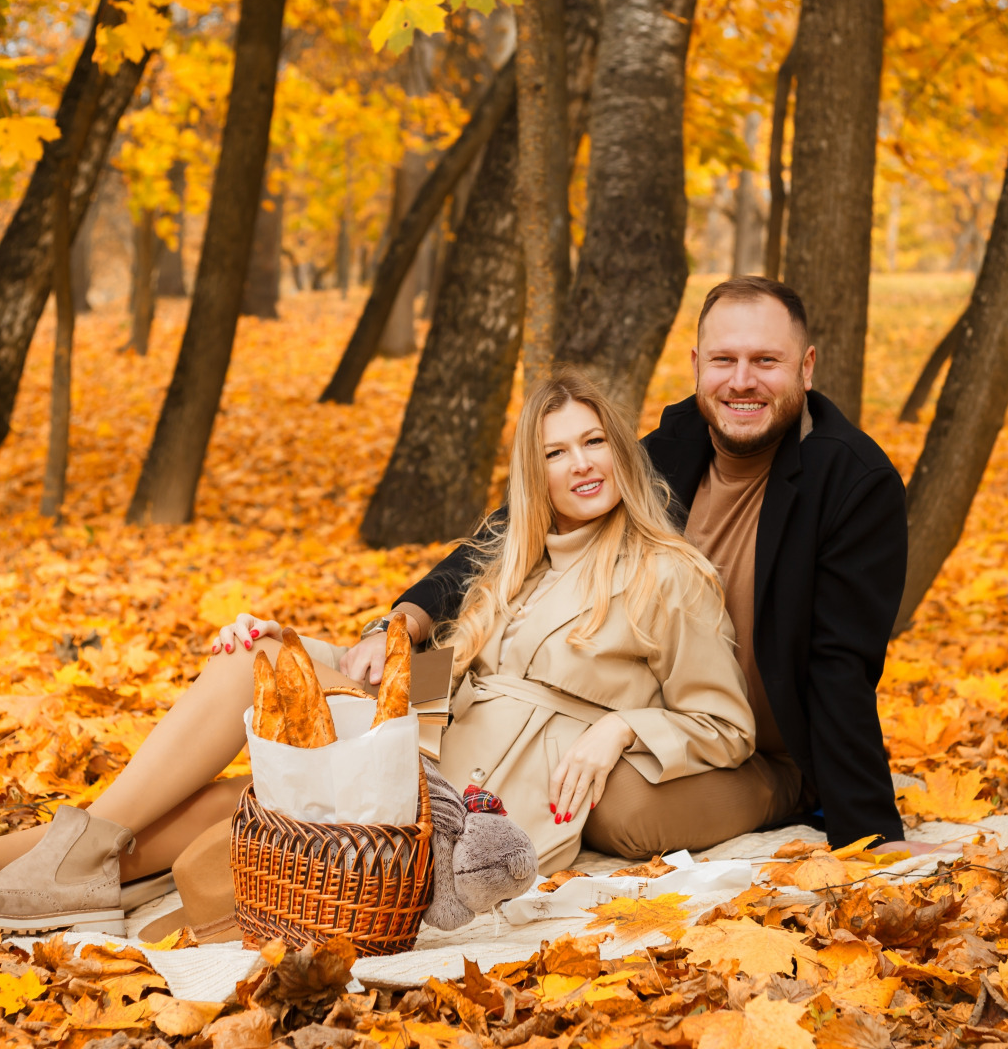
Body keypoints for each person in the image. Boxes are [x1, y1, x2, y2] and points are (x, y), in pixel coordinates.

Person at [0, 371, 757, 933]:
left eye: (594, 443)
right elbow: (448, 683)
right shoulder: (513, 564)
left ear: (622, 457)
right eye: (556, 452)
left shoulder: (665, 575)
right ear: (532, 472)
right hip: (429, 742)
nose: (580, 464)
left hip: (485, 807)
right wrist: (318, 656)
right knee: (249, 672)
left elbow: (725, 723)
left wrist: (624, 728)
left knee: (240, 790)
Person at [340, 276, 912, 855]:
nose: (742, 380)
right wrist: (405, 622)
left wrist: (871, 832)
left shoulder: (849, 484)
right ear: (697, 365)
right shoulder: (670, 447)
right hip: (580, 717)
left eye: (765, 360)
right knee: (315, 673)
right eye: (723, 360)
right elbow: (508, 532)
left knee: (617, 805)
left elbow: (841, 665)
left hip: (753, 745)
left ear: (806, 367)